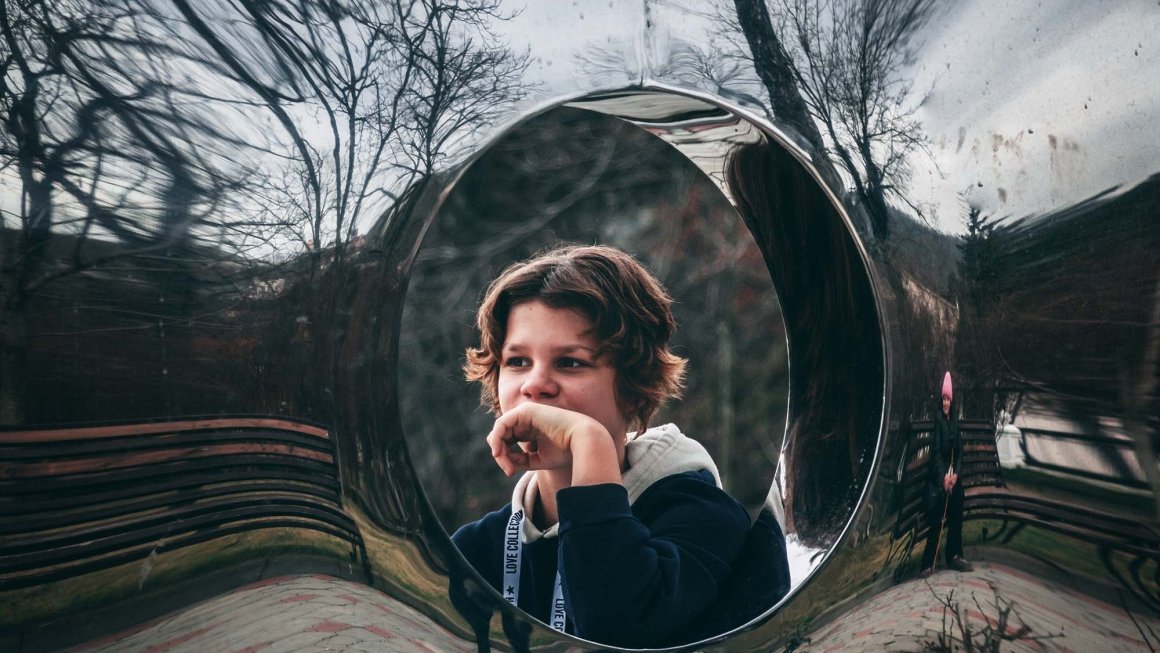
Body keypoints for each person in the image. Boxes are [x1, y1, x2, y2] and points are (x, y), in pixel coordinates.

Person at [449, 244, 772, 648]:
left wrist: (590, 444)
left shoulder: (702, 518)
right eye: (517, 362)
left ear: (635, 389)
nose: (534, 384)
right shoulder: (474, 551)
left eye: (570, 362)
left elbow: (616, 629)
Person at [919, 371, 973, 577]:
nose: (946, 402)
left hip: (953, 477)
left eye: (948, 398)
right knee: (937, 514)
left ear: (953, 400)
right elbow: (935, 454)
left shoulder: (955, 421)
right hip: (938, 480)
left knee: (958, 501)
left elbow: (960, 453)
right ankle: (927, 562)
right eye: (943, 398)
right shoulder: (938, 420)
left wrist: (955, 476)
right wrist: (944, 478)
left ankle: (955, 556)